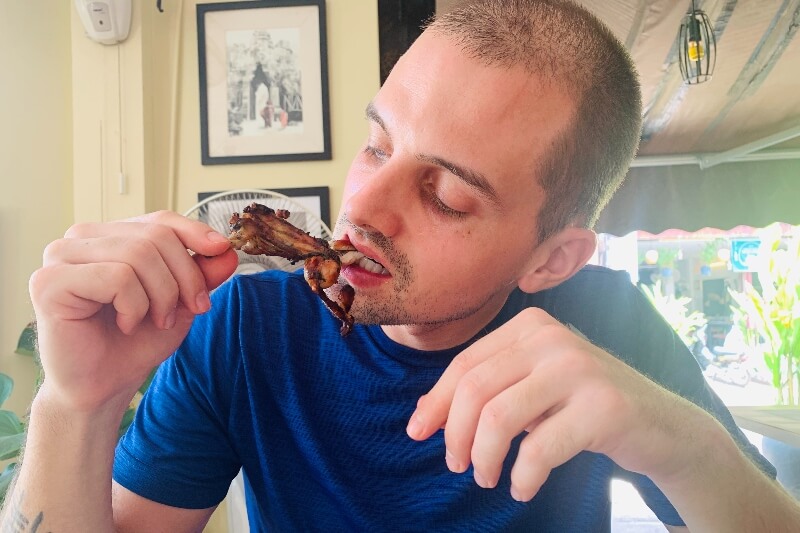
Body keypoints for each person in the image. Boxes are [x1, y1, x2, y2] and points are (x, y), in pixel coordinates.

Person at [3, 0, 800, 531]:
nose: (362, 210)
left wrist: (679, 441)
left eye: (447, 195)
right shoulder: (242, 330)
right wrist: (74, 402)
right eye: (376, 144)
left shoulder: (609, 325)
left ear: (553, 259)